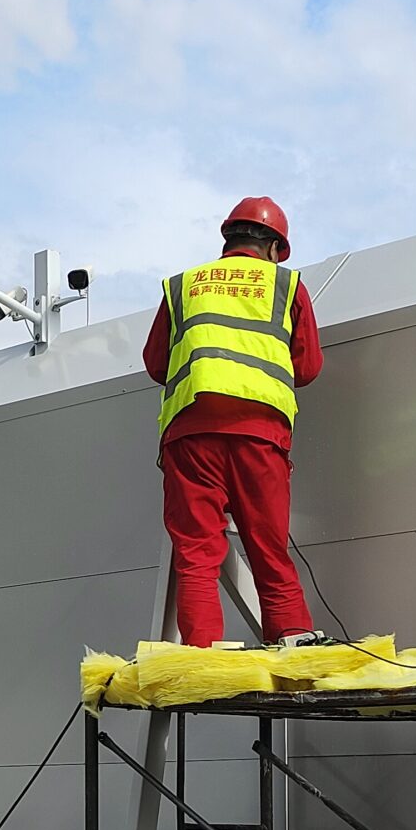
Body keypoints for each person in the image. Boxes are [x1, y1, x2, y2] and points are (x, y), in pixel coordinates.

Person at [140, 195, 328, 648]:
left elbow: (155, 363)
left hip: (191, 435)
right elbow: (307, 369)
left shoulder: (184, 285)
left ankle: (204, 652)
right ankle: (294, 643)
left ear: (229, 239)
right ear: (275, 248)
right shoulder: (286, 285)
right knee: (269, 551)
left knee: (197, 554)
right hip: (260, 438)